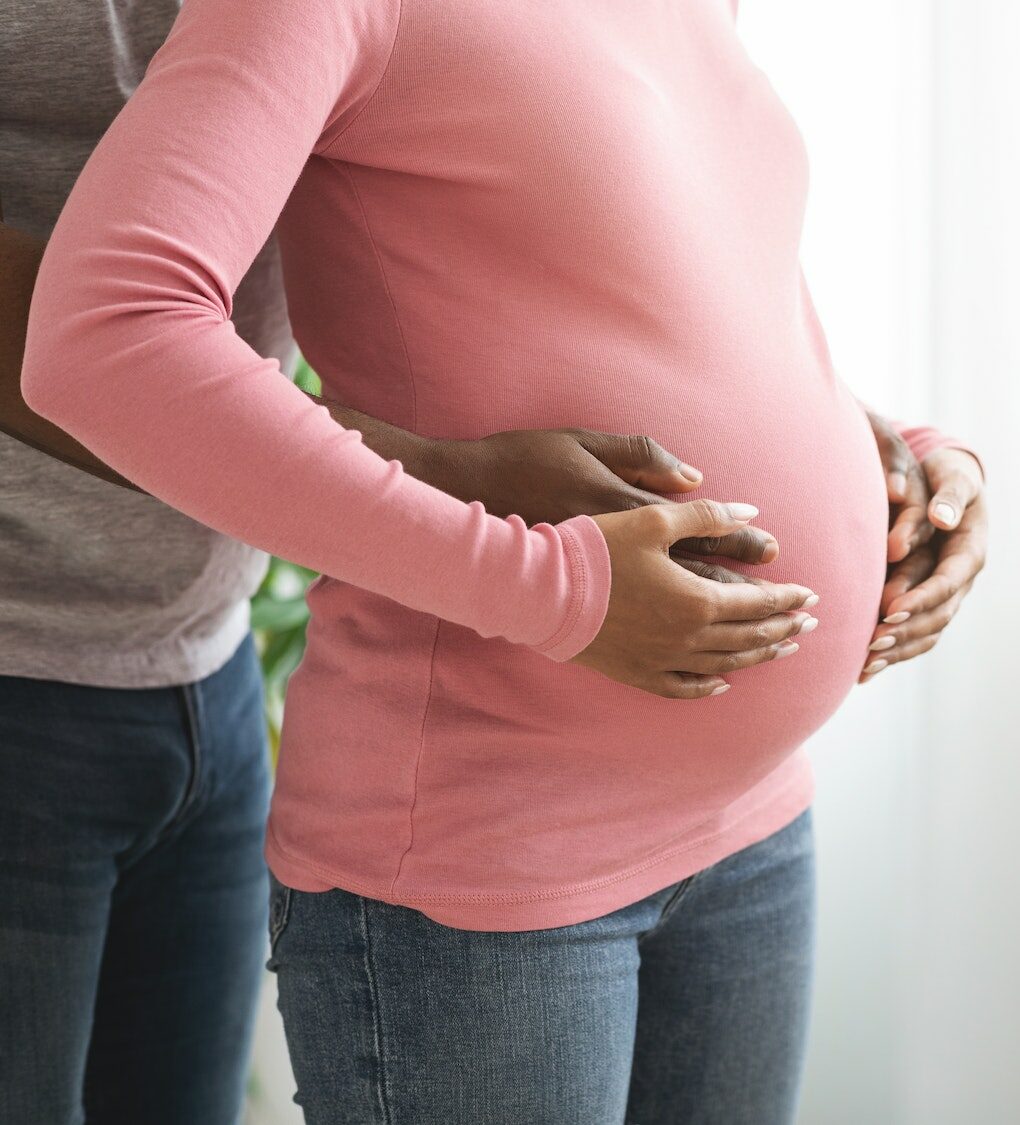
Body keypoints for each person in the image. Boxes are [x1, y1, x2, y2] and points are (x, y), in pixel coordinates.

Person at [17, 1, 987, 1123]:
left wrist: (899, 460)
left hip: (751, 818)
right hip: (492, 851)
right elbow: (108, 338)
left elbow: (698, 273)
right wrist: (552, 586)